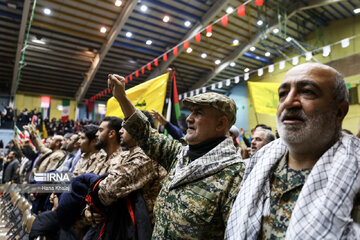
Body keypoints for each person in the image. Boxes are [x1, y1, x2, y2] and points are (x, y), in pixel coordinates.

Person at [226, 62, 360, 239]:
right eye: (283, 94)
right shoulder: (259, 162)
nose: (288, 102)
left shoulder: (354, 172)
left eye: (307, 92)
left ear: (339, 111)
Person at [107, 74, 245, 239]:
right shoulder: (180, 155)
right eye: (191, 111)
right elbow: (145, 133)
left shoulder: (236, 177)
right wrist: (122, 98)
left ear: (220, 124)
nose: (188, 118)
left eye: (198, 113)